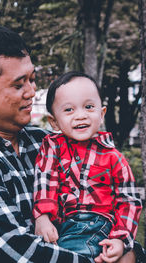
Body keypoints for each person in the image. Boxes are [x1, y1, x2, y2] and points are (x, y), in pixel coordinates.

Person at [0, 25, 91, 263]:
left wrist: (127, 249)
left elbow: (96, 205)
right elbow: (15, 254)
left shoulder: (45, 142)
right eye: (18, 84)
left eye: (32, 79)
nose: (32, 91)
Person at [33, 71, 143, 263]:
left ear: (101, 114)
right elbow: (45, 180)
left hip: (96, 223)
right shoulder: (52, 147)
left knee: (73, 256)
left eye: (89, 107)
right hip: (61, 227)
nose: (81, 116)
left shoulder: (113, 157)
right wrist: (42, 217)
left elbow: (129, 201)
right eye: (69, 110)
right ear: (54, 121)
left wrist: (120, 239)